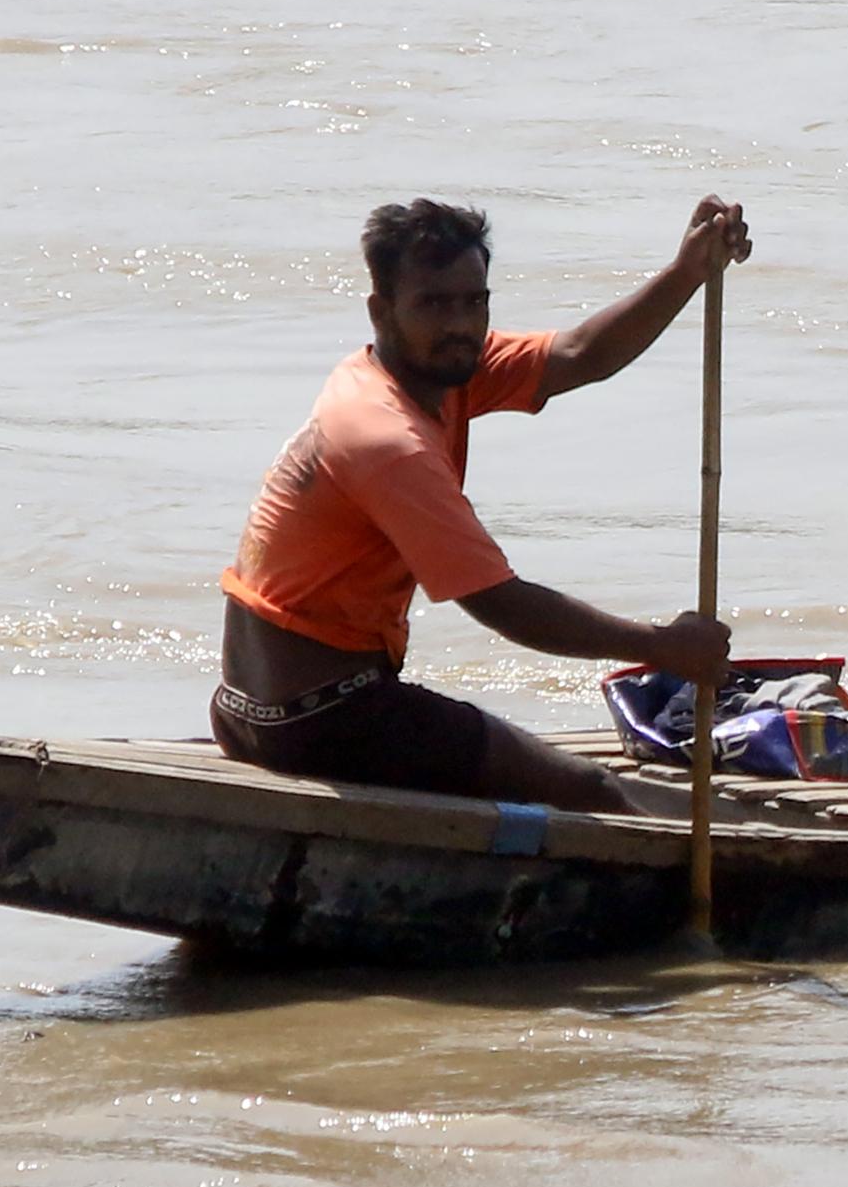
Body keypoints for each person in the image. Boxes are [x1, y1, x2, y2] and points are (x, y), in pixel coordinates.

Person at [211, 193, 748, 812]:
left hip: (253, 707)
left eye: (475, 302)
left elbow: (581, 355)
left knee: (530, 765)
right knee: (591, 791)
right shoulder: (387, 438)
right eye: (433, 305)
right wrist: (662, 647)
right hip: (318, 715)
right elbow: (500, 603)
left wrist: (687, 272)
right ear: (381, 312)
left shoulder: (442, 370)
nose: (460, 325)